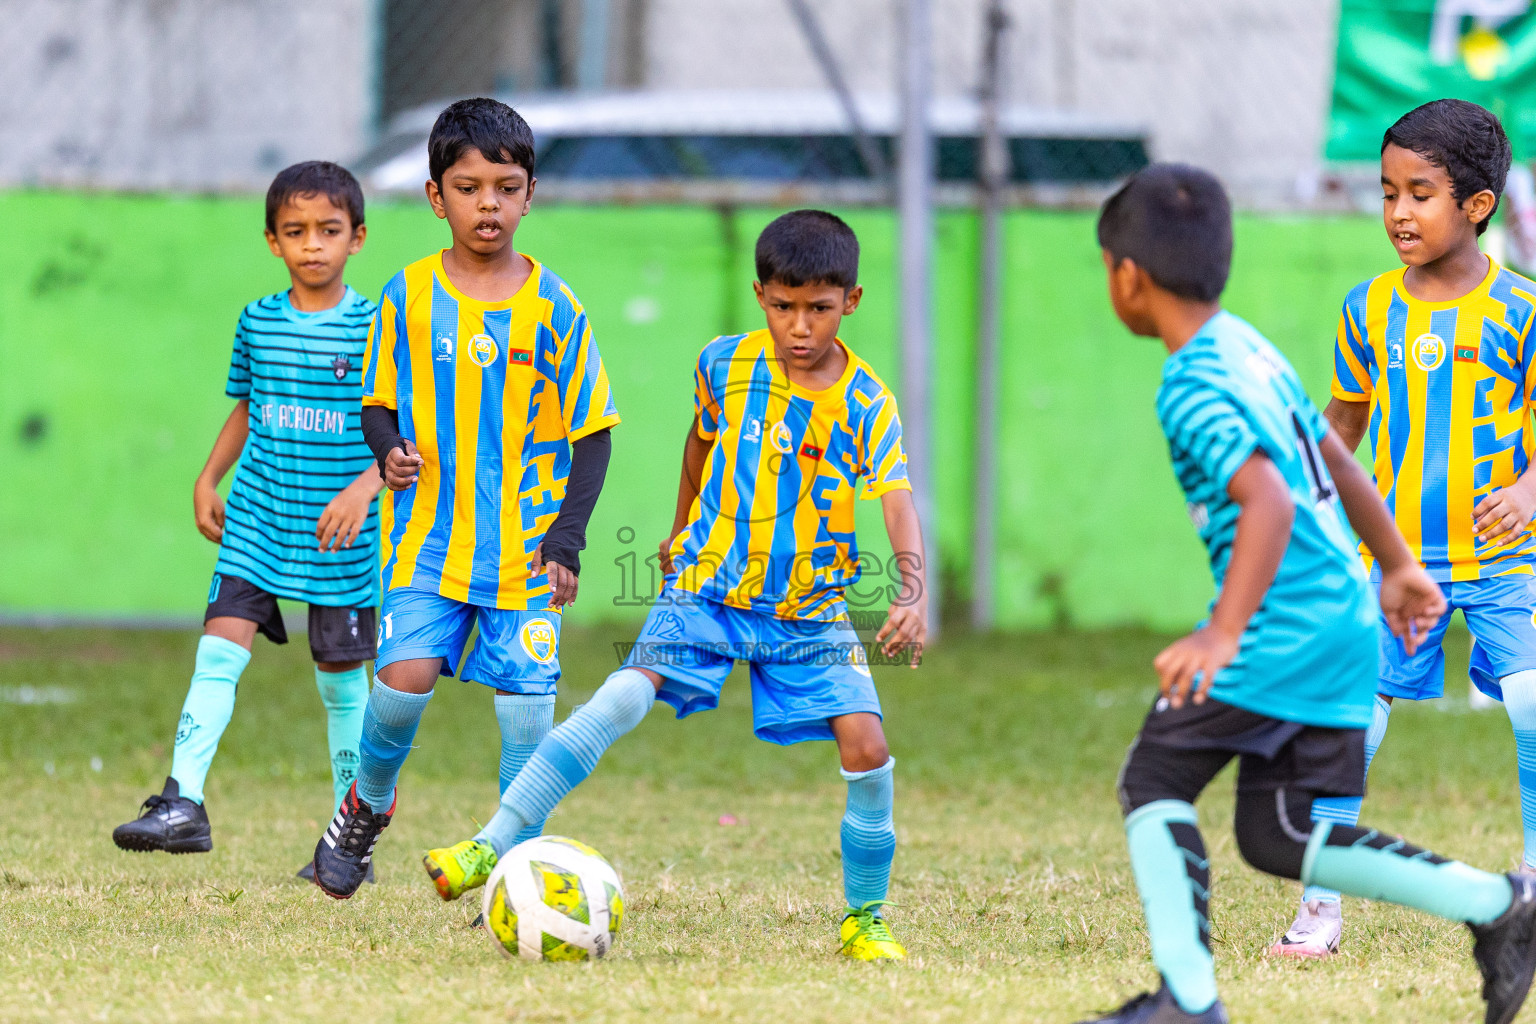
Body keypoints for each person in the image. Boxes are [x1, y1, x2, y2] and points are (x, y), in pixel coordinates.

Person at [1078, 162, 1536, 1024]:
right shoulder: (1246, 345)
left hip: (1283, 626)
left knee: (1155, 778)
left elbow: (1269, 499)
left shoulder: (1193, 383)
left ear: (1127, 279)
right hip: (1342, 620)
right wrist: (1399, 565)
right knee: (1278, 834)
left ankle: (1188, 1000)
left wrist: (1222, 632)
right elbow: (1333, 453)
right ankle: (1497, 904)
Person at [418, 209, 927, 961]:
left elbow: (896, 498)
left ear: (850, 302)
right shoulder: (723, 365)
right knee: (627, 691)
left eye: (818, 308)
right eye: (783, 306)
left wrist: (911, 593)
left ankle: (864, 918)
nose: (798, 326)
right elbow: (702, 438)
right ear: (760, 295)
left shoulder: (867, 402)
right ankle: (492, 845)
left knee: (868, 746)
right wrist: (681, 522)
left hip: (809, 612)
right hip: (707, 588)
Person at [308, 97, 618, 900]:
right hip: (425, 544)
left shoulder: (557, 307)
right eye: (470, 187)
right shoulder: (407, 296)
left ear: (530, 193)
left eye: (506, 187)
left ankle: (518, 865)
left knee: (525, 714)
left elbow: (593, 435)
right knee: (401, 682)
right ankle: (366, 806)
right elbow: (376, 405)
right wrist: (390, 453)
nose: (489, 204)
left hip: (526, 553)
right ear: (435, 195)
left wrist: (568, 543)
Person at [1272, 98, 1536, 959]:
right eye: (1387, 192)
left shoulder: (1521, 312)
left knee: (1533, 707)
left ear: (1477, 207)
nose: (1397, 213)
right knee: (1352, 724)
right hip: (1397, 565)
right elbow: (1340, 429)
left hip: (1506, 558)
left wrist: (1530, 490)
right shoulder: (1368, 309)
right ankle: (1319, 910)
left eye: (1419, 194)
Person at [113, 162, 383, 879]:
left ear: (357, 238)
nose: (312, 245)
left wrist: (365, 488)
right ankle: (183, 804)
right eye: (295, 232)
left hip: (342, 540)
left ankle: (347, 834)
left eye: (329, 230)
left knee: (340, 682)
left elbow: (406, 428)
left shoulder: (378, 326)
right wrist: (209, 476)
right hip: (259, 520)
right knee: (218, 649)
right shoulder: (258, 321)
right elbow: (247, 408)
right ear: (272, 241)